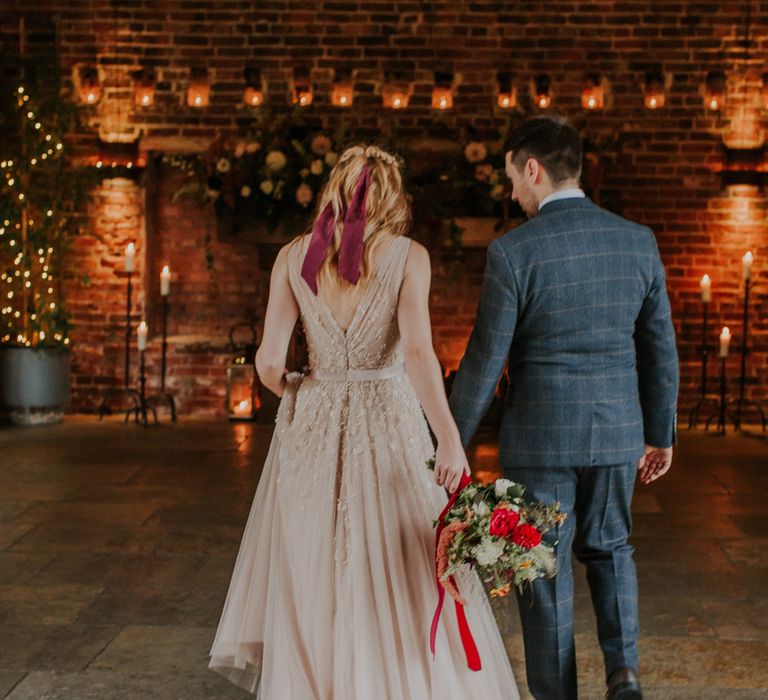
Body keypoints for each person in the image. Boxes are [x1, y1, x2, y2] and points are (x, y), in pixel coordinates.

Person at [208, 144, 519, 699]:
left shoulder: (291, 258)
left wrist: (306, 394)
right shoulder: (409, 256)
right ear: (392, 198)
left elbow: (270, 363)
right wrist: (449, 439)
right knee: (397, 559)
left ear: (333, 190)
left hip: (313, 423)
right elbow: (421, 356)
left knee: (314, 560)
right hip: (390, 422)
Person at [449, 116, 679, 700]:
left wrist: (446, 443)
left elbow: (482, 362)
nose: (511, 194)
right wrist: (660, 435)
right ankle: (624, 674)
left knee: (543, 573)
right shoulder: (637, 240)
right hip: (616, 434)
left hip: (540, 441)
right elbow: (659, 349)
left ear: (533, 169)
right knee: (611, 550)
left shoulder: (513, 252)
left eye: (512, 179)